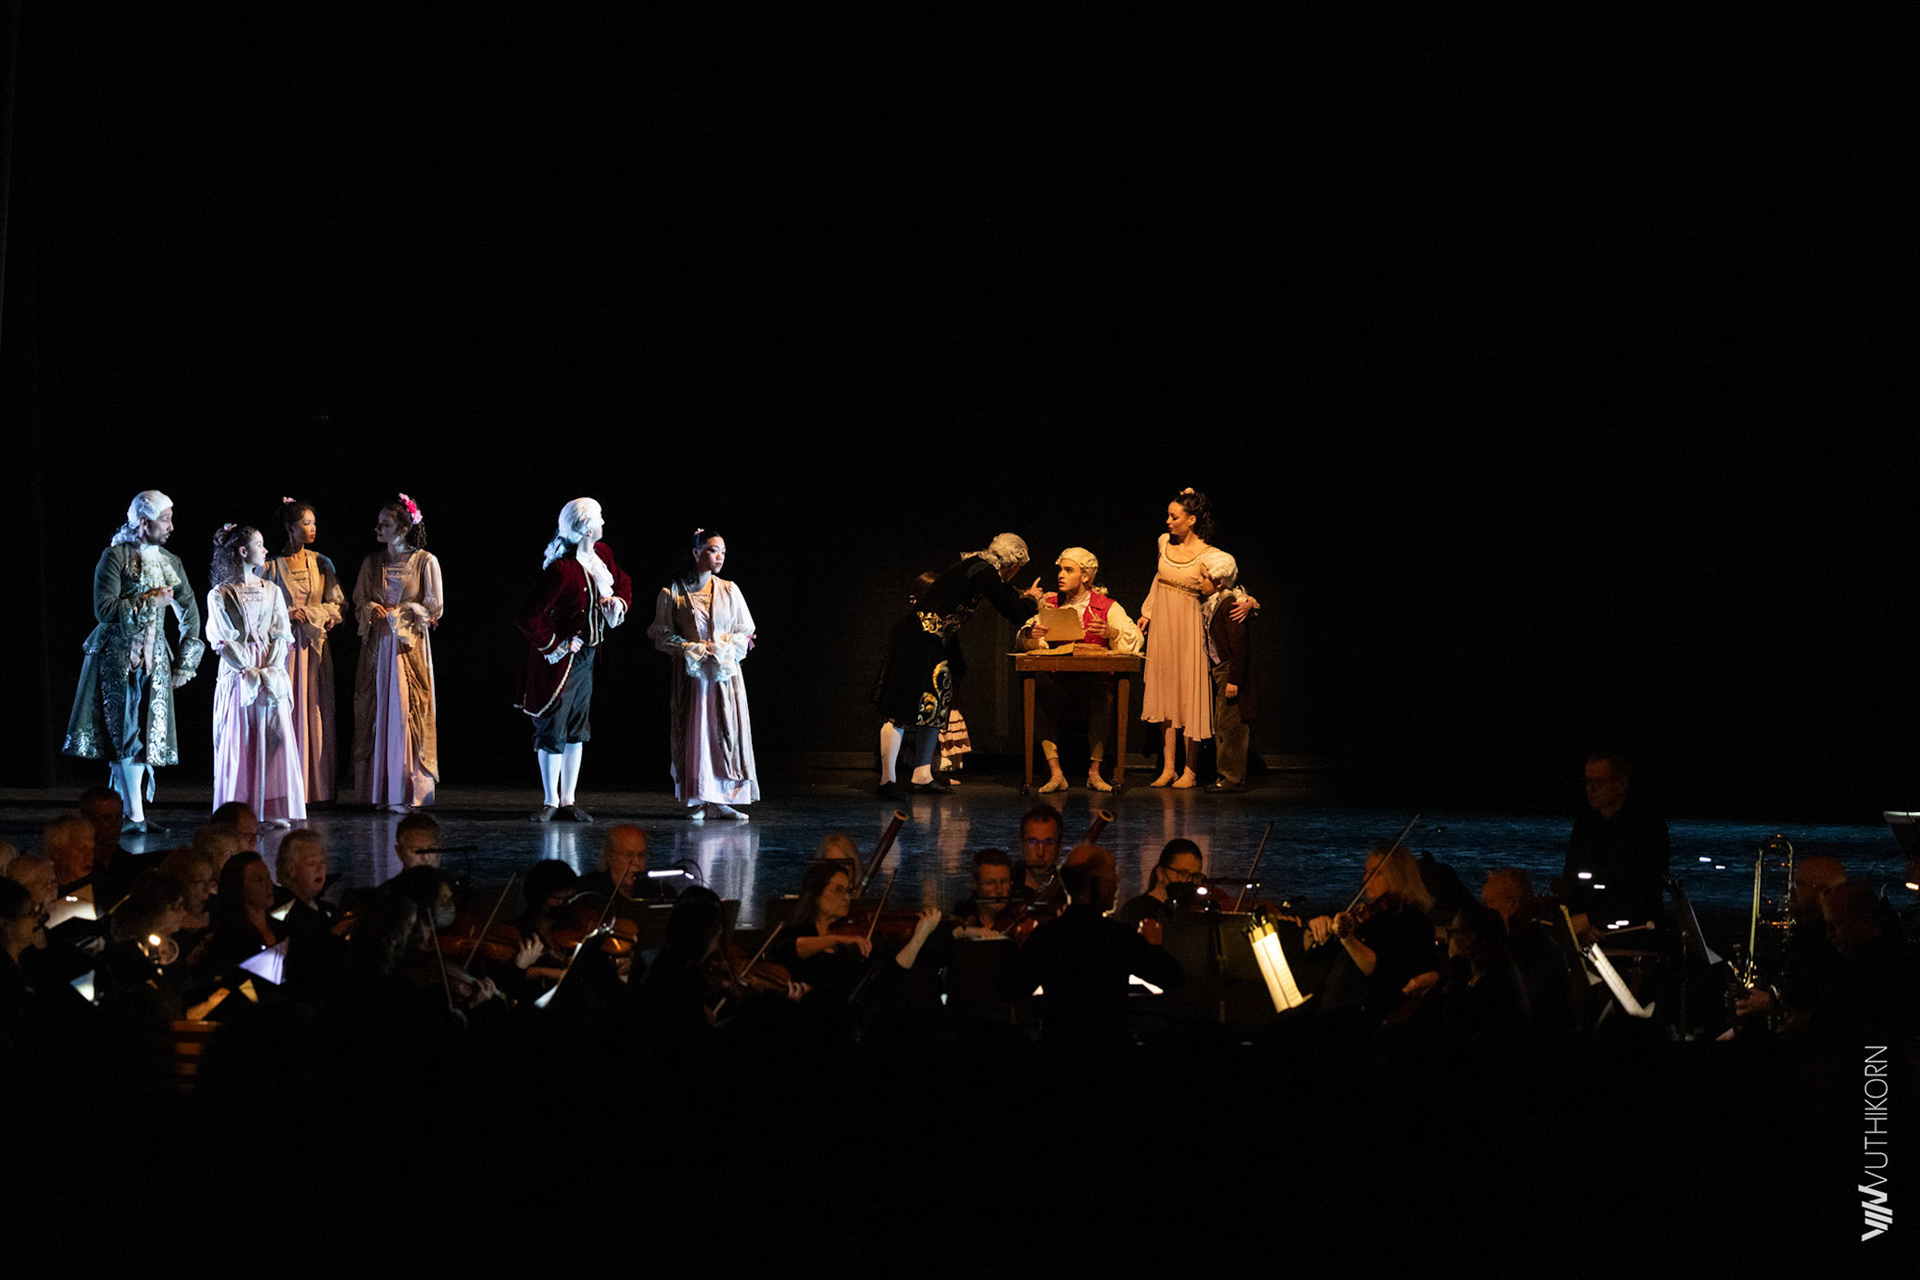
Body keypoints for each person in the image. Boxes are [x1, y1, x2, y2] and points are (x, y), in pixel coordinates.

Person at [64, 490, 205, 833]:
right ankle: (134, 816)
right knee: (124, 734)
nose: (171, 526)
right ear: (144, 522)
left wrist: (186, 663)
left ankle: (129, 813)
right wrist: (150, 600)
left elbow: (188, 610)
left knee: (144, 735)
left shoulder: (170, 561)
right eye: (165, 519)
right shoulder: (115, 557)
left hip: (155, 662)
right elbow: (104, 609)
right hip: (118, 659)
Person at [873, 533, 1042, 797]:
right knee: (901, 707)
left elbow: (1004, 594)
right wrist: (1032, 601)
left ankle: (922, 775)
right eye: (1017, 569)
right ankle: (887, 781)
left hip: (934, 640)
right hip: (917, 638)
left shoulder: (980, 569)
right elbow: (1013, 611)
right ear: (1012, 564)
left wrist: (1025, 597)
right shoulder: (982, 570)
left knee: (935, 705)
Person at [515, 498, 633, 823]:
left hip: (587, 657)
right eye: (599, 518)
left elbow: (623, 582)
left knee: (577, 728)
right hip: (559, 663)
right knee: (553, 725)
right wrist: (557, 643)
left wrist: (616, 602)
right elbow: (527, 616)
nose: (603, 523)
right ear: (585, 528)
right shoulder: (562, 570)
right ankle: (550, 801)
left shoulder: (602, 555)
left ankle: (568, 800)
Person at [1137, 489, 1256, 788]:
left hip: (1189, 626)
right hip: (1164, 625)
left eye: (1174, 516)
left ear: (1191, 520)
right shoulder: (1163, 543)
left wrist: (1250, 602)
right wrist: (1148, 612)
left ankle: (1190, 770)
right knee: (1165, 694)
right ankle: (1168, 768)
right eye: (1168, 515)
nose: (1168, 521)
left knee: (1189, 694)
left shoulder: (1211, 555)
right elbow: (1158, 579)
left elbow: (1229, 585)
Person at [646, 528, 757, 820]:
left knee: (723, 731)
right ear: (697, 553)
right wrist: (690, 648)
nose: (719, 556)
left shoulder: (730, 590)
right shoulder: (674, 592)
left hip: (722, 674)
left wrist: (724, 648)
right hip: (692, 676)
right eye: (713, 550)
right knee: (697, 732)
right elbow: (661, 634)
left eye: (723, 552)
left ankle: (721, 799)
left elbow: (745, 630)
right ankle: (699, 798)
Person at [1018, 546, 1142, 793]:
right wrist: (1032, 635)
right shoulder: (1050, 605)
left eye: (1068, 570)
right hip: (1060, 683)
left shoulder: (1106, 606)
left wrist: (1112, 632)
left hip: (1094, 683)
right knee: (1041, 698)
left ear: (1085, 576)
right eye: (1060, 570)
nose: (1060, 575)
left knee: (1103, 698)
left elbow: (1135, 638)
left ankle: (1095, 772)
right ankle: (1056, 772)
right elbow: (1025, 635)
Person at [206, 524, 307, 826]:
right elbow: (222, 639)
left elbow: (280, 633)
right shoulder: (220, 593)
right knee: (241, 737)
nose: (265, 550)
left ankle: (270, 807)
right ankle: (240, 810)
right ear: (242, 551)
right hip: (240, 671)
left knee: (272, 735)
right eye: (259, 544)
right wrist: (248, 670)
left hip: (269, 669)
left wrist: (269, 670)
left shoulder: (271, 590)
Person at [352, 494, 442, 810]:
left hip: (407, 646)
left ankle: (405, 791)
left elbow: (434, 606)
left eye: (385, 524)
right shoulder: (372, 562)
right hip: (378, 644)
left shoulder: (425, 561)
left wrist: (403, 611)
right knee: (376, 708)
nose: (378, 529)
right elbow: (359, 600)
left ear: (403, 529)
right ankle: (378, 791)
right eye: (378, 523)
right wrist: (370, 608)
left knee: (406, 711)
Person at [265, 498, 346, 804]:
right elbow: (259, 607)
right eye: (306, 523)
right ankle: (285, 787)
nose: (313, 529)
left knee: (315, 710)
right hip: (285, 649)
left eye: (314, 523)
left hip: (314, 647)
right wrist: (286, 614)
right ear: (290, 528)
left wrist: (325, 615)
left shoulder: (321, 562)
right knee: (286, 710)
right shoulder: (270, 565)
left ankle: (317, 787)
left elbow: (337, 603)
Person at [1558, 750, 1668, 931]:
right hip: (1589, 923)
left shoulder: (1647, 827)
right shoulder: (1585, 823)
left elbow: (1643, 887)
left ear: (1621, 784)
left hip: (1635, 928)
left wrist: (1590, 918)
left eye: (1598, 782)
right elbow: (1571, 873)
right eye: (1587, 781)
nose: (1590, 788)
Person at [1197, 551, 1259, 793]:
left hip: (1230, 670)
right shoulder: (1217, 602)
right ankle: (1226, 776)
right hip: (1221, 670)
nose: (1199, 581)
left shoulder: (1230, 604)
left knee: (1231, 726)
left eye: (1204, 577)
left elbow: (1240, 645)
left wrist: (1234, 679)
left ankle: (1231, 778)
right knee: (1223, 722)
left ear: (1219, 581)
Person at [1116, 838, 1204, 926]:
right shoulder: (1136, 909)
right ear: (1160, 872)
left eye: (1195, 876)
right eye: (1182, 873)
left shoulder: (1191, 913)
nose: (1189, 880)